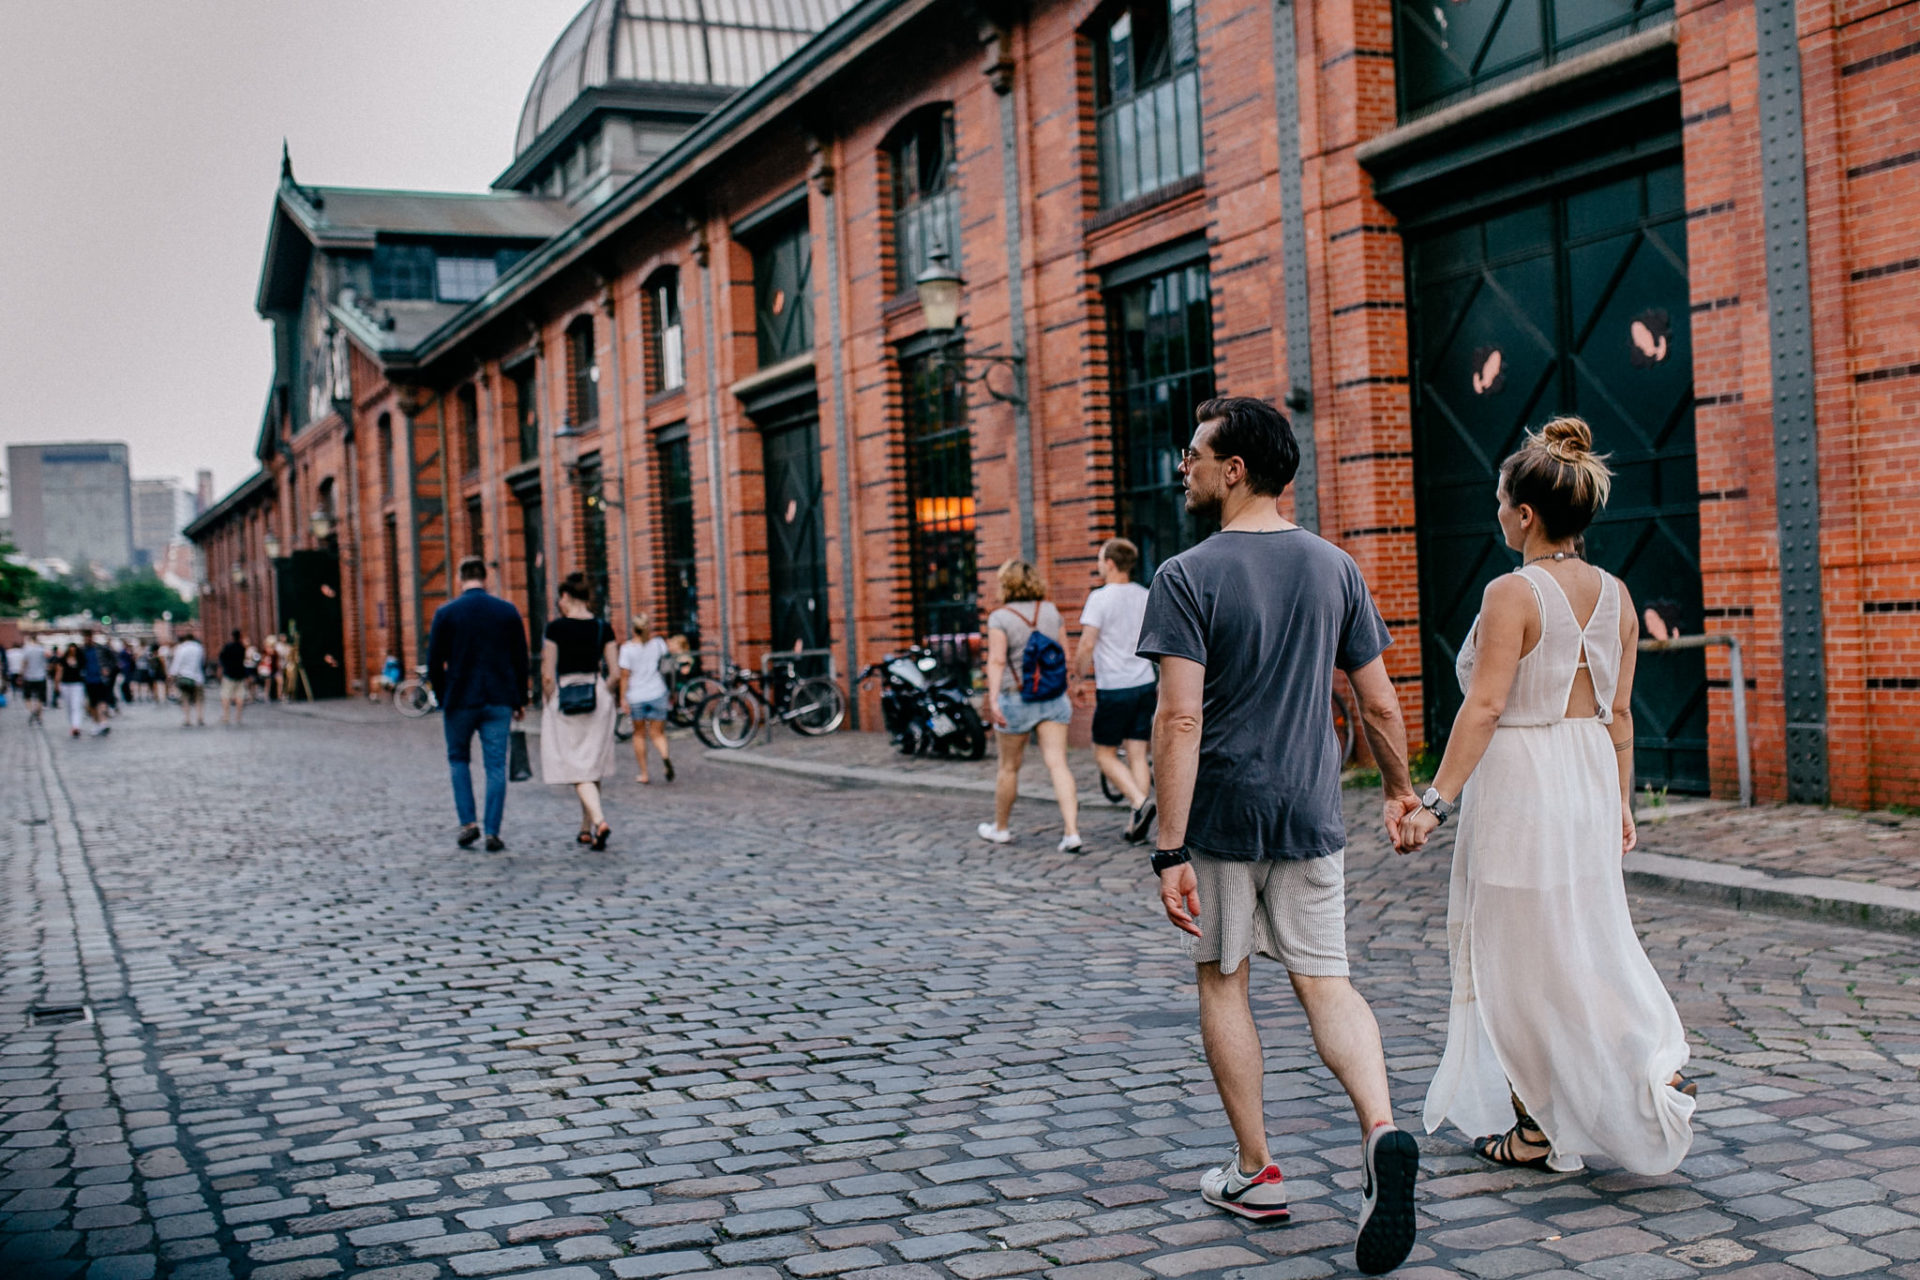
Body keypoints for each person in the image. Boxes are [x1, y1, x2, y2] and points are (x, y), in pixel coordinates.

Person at [1138, 397, 1421, 1275]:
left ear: (1235, 469)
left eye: (1195, 452)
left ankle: (1257, 1172)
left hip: (1222, 815)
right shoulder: (1335, 567)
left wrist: (1168, 847)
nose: (1183, 463)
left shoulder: (1185, 576)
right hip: (1310, 811)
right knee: (1327, 981)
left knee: (1224, 981)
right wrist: (1404, 790)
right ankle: (1379, 1128)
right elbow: (1376, 698)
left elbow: (1179, 721)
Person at [1397, 416, 1695, 1176]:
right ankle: (1639, 1054)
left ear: (1525, 514)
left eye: (1502, 501)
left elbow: (1488, 706)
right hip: (1589, 773)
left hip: (1524, 781)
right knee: (1584, 935)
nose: (1497, 512)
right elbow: (1620, 714)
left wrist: (1434, 801)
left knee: (1519, 956)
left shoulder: (1513, 592)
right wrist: (1622, 803)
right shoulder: (1619, 595)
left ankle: (1540, 1124)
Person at [427, 557, 530, 852]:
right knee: (496, 765)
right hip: (498, 698)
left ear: (460, 579)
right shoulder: (507, 611)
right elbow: (520, 660)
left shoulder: (446, 613)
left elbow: (434, 661)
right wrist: (520, 698)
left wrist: (442, 695)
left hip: (459, 699)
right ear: (486, 578)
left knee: (459, 760)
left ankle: (469, 823)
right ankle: (493, 832)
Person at [979, 559, 1081, 852]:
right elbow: (1063, 652)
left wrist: (993, 698)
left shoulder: (1000, 617)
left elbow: (998, 660)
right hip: (1053, 697)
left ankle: (1001, 829)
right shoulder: (1050, 611)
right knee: (1058, 763)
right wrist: (1072, 686)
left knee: (1009, 767)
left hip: (1016, 698)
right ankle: (1072, 832)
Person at [1073, 536, 1157, 843]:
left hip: (1115, 687)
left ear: (1109, 563)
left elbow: (1086, 644)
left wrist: (1078, 678)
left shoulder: (1100, 598)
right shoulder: (1144, 595)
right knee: (1137, 752)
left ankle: (1139, 802)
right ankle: (1137, 823)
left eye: (1099, 559)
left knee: (1104, 754)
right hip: (1144, 682)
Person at [540, 572, 619, 850]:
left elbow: (547, 674)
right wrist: (604, 691)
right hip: (596, 694)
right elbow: (616, 673)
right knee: (591, 762)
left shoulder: (556, 629)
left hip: (566, 695)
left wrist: (551, 699)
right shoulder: (603, 627)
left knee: (577, 766)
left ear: (566, 597)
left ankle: (599, 820)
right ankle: (585, 828)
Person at [617, 614, 675, 785]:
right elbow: (667, 663)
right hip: (657, 692)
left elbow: (625, 676)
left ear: (633, 629)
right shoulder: (658, 644)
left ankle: (644, 773)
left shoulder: (627, 649)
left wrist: (622, 698)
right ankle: (665, 757)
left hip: (637, 696)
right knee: (658, 733)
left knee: (639, 734)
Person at [169, 630, 207, 727]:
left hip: (184, 677)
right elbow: (203, 661)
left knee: (185, 698)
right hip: (198, 677)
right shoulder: (199, 647)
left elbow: (177, 663)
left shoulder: (181, 648)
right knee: (199, 698)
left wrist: (172, 675)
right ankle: (200, 718)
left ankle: (187, 719)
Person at [80, 632, 113, 735]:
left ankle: (103, 722)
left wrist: (108, 669)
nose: (88, 640)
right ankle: (96, 723)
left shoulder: (101, 648)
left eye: (89, 637)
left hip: (101, 679)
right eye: (86, 638)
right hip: (88, 680)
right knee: (92, 703)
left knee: (102, 702)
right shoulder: (82, 651)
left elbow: (113, 659)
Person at [218, 631, 249, 725]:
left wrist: (222, 669)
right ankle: (238, 717)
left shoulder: (227, 647)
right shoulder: (242, 648)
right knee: (239, 696)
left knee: (226, 696)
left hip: (228, 674)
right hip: (240, 674)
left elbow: (221, 659)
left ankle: (226, 716)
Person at [57, 642, 88, 738]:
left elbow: (84, 670)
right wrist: (57, 683)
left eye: (74, 649)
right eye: (70, 649)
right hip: (65, 684)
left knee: (76, 705)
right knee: (69, 706)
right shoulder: (63, 659)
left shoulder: (80, 659)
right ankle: (73, 724)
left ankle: (76, 726)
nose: (72, 651)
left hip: (77, 684)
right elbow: (59, 671)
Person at [19, 634, 48, 727]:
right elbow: (46, 662)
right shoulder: (41, 649)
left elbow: (24, 663)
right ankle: (38, 713)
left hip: (29, 677)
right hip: (41, 676)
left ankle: (32, 711)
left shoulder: (26, 649)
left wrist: (21, 674)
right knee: (40, 698)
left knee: (27, 697)